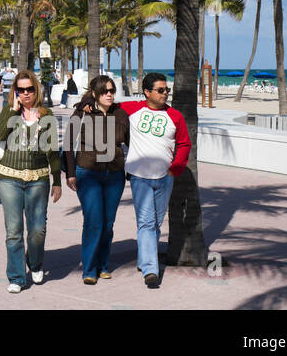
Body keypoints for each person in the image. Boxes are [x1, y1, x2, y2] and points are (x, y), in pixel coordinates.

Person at [0, 68, 62, 293]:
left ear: (36, 89)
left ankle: (35, 263)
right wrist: (11, 111)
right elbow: (0, 135)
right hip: (9, 179)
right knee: (13, 231)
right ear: (15, 92)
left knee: (37, 230)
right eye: (20, 90)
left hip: (38, 179)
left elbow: (52, 151)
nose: (25, 94)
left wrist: (58, 180)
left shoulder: (47, 114)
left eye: (29, 89)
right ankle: (16, 277)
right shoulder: (8, 111)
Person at [120, 72, 192, 289]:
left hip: (165, 178)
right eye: (160, 90)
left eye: (166, 90)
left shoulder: (175, 116)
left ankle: (144, 260)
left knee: (155, 223)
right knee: (146, 223)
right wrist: (86, 104)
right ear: (147, 92)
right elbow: (105, 103)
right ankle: (151, 270)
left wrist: (175, 168)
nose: (165, 94)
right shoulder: (132, 109)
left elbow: (184, 144)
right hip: (139, 177)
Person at [63, 75, 130, 284]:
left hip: (115, 175)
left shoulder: (121, 114)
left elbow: (129, 143)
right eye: (104, 91)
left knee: (108, 224)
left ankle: (102, 265)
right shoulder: (82, 113)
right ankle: (89, 269)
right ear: (95, 94)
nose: (109, 94)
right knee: (94, 222)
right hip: (88, 172)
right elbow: (67, 144)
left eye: (111, 90)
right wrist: (71, 173)